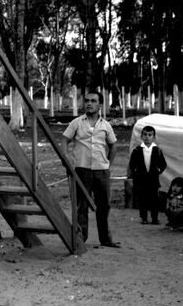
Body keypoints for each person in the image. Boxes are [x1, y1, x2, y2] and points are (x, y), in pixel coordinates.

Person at [61, 90, 121, 248]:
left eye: (93, 101)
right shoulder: (77, 123)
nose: (89, 103)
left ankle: (106, 239)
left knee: (104, 205)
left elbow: (114, 145)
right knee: (82, 206)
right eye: (87, 100)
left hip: (101, 171)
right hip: (82, 170)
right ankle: (81, 239)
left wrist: (108, 163)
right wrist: (67, 158)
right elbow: (64, 140)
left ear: (100, 104)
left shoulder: (105, 125)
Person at [128, 125, 167, 225]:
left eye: (150, 135)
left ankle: (155, 218)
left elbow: (163, 164)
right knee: (143, 199)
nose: (147, 137)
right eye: (145, 134)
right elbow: (132, 164)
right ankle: (144, 217)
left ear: (154, 137)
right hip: (141, 180)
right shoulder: (137, 150)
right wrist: (136, 172)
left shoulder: (157, 150)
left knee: (154, 199)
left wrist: (158, 170)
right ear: (141, 136)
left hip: (153, 179)